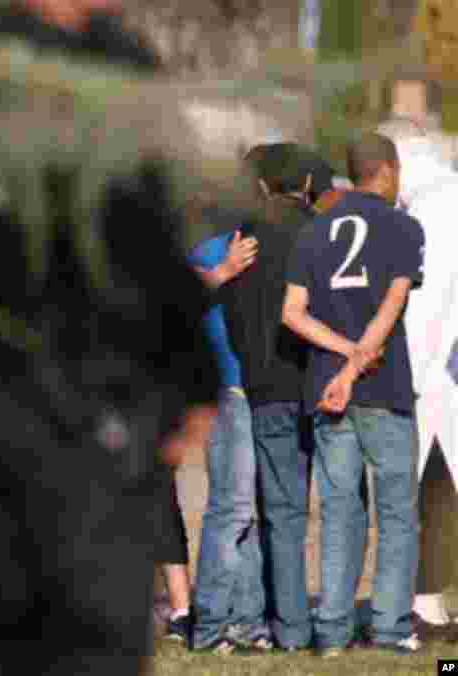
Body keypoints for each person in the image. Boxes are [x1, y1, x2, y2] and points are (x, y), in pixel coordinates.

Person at [0, 2, 220, 673]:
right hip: (75, 391)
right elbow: (142, 229)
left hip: (35, 391)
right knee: (69, 625)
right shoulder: (96, 65)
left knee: (38, 620)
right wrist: (195, 370)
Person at [282, 132, 424, 656]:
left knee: (339, 512)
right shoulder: (404, 227)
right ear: (386, 170)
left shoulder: (313, 232)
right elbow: (393, 302)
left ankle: (334, 632)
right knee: (396, 513)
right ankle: (389, 628)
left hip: (327, 389)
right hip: (382, 388)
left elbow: (291, 314)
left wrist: (342, 361)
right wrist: (362, 358)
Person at [220, 143, 328, 652]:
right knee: (345, 508)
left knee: (279, 513)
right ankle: (333, 622)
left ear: (260, 185)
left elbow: (235, 314)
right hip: (323, 381)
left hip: (266, 385)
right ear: (302, 183)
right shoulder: (317, 229)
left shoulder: (246, 237)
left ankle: (288, 627)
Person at [377, 117, 458, 634]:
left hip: (441, 376)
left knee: (434, 492)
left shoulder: (433, 209)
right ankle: (428, 602)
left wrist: (406, 381)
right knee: (437, 493)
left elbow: (427, 309)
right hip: (445, 372)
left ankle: (427, 602)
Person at [186, 184, 266, 654]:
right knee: (229, 509)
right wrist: (226, 269)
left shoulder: (259, 240)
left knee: (247, 512)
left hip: (255, 391)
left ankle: (248, 621)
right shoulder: (211, 248)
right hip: (225, 393)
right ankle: (211, 623)